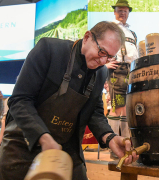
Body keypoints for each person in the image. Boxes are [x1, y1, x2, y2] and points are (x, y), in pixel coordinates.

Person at [0, 21, 138, 180]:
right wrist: (44, 138)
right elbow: (20, 100)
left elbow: (94, 112)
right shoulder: (49, 50)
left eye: (109, 57)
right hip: (22, 147)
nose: (102, 61)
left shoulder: (100, 73)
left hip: (66, 150)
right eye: (101, 52)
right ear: (87, 37)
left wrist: (110, 137)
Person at [106, 0, 138, 143]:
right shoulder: (110, 27)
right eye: (120, 10)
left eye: (125, 10)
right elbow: (102, 44)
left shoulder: (132, 33)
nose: (123, 12)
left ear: (128, 13)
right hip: (118, 70)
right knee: (117, 107)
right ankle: (114, 144)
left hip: (132, 70)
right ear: (115, 11)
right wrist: (106, 63)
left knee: (126, 108)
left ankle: (125, 143)